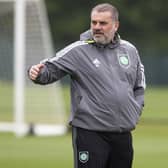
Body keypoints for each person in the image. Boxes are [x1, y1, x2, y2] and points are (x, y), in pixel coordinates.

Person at [28, 3, 146, 168]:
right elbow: (49, 69)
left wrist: (135, 110)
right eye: (94, 22)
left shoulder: (130, 50)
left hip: (122, 135)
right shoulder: (78, 50)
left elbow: (139, 85)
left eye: (103, 23)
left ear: (116, 25)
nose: (97, 27)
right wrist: (36, 73)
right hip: (90, 133)